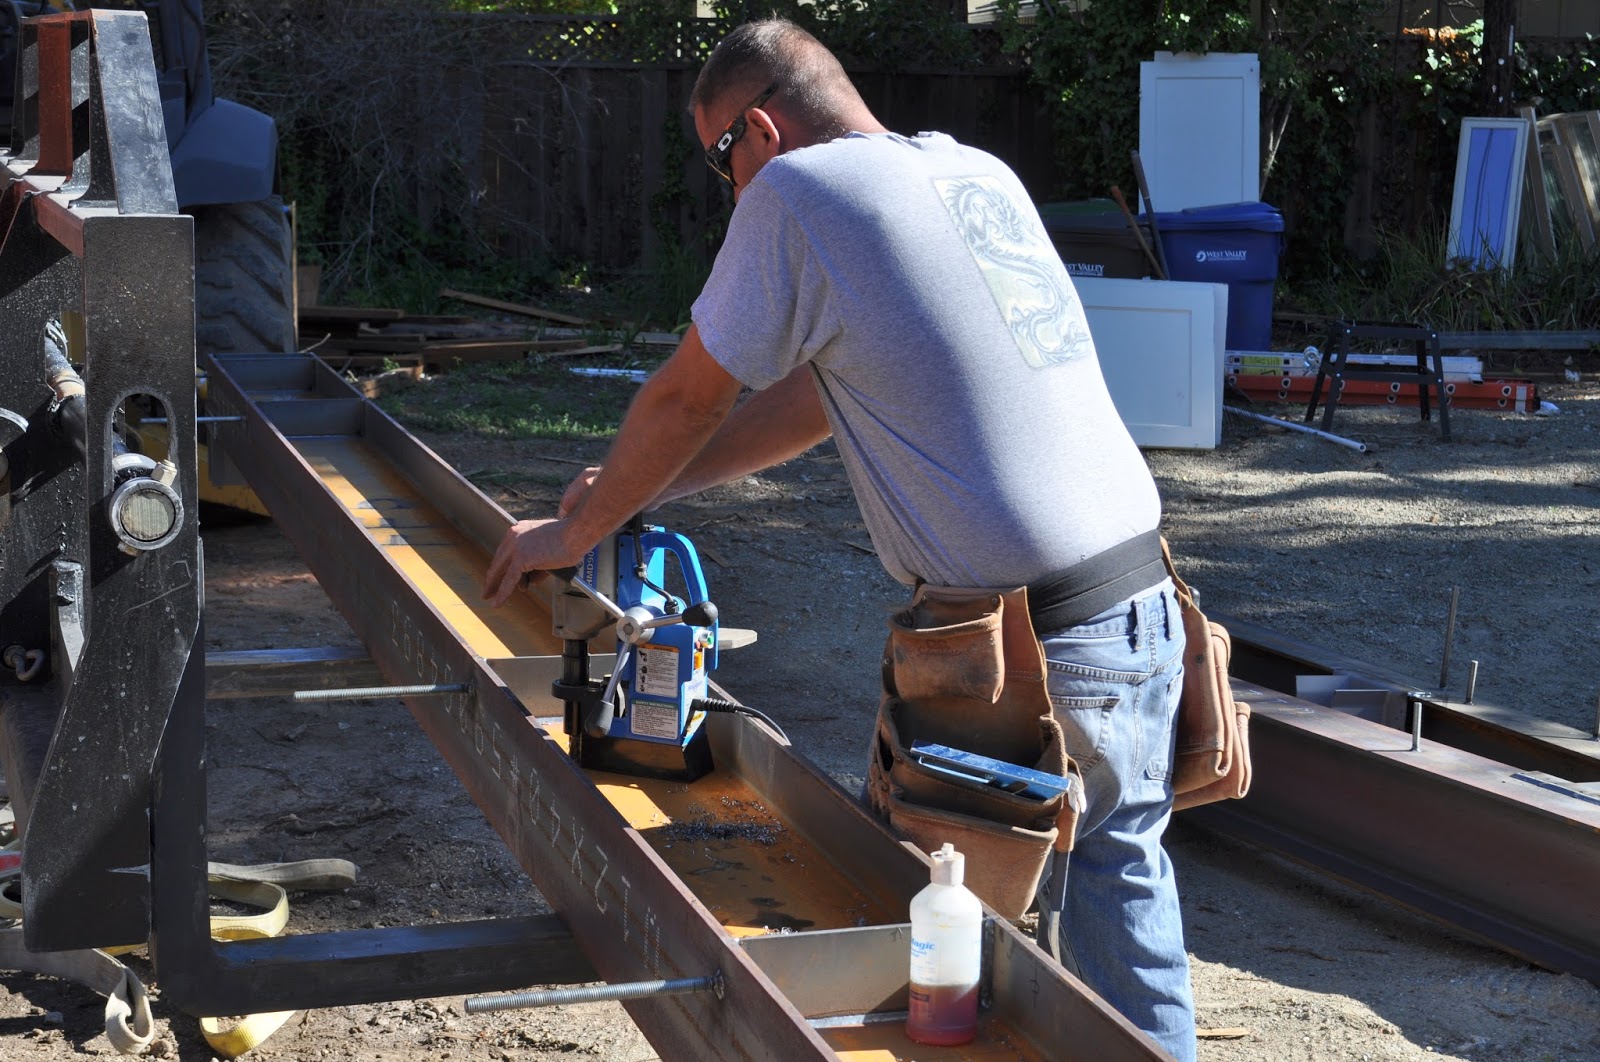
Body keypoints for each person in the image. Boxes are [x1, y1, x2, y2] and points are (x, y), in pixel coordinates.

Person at [481, 17, 1195, 1060]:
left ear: (758, 134)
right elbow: (825, 397)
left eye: (721, 165)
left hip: (1027, 653)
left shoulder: (795, 197)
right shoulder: (971, 174)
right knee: (1118, 909)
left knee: (957, 962)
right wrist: (647, 486)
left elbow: (688, 394)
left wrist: (575, 529)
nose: (730, 194)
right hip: (1139, 609)